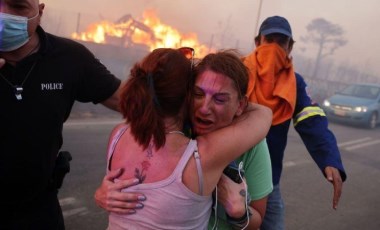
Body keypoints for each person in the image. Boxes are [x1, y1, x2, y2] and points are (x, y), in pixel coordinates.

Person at [103, 48, 272, 229]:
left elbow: (257, 220)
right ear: (185, 96)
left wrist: (239, 212)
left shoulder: (252, 143)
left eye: (220, 99)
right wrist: (102, 193)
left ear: (241, 105)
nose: (204, 108)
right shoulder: (187, 142)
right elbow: (264, 113)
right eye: (198, 94)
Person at [0, 1, 122, 229]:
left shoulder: (69, 58)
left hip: (38, 212)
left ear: (40, 12)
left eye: (18, 7)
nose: (4, 16)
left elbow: (131, 102)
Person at [242, 15, 347, 230]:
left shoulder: (295, 84)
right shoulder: (238, 74)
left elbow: (313, 121)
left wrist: (330, 160)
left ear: (290, 47)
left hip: (269, 182)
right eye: (268, 40)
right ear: (257, 43)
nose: (273, 48)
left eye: (280, 42)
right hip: (230, 175)